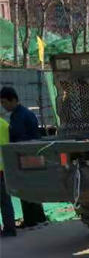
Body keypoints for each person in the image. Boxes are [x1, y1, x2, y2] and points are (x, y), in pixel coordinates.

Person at [0, 86, 47, 228]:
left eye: (4, 102)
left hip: (27, 156)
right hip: (26, 156)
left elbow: (25, 138)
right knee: (29, 188)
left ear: (13, 100)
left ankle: (33, 220)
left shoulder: (22, 115)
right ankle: (37, 218)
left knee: (27, 188)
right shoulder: (18, 115)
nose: (3, 106)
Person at [0, 113, 16, 237]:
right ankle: (10, 228)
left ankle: (9, 229)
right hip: (5, 168)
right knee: (6, 201)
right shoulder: (5, 124)